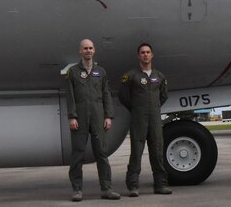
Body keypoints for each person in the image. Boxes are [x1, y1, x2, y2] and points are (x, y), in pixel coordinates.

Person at [65, 39, 121, 202]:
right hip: (80, 118)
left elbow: (106, 94)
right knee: (77, 154)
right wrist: (72, 116)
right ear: (80, 51)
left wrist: (108, 116)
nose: (88, 51)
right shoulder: (73, 72)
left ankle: (106, 189)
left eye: (90, 48)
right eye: (85, 48)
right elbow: (70, 96)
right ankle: (77, 190)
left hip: (98, 117)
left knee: (102, 153)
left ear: (94, 50)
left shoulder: (101, 72)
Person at [119, 43, 172, 196]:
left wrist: (154, 107)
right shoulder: (130, 76)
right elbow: (123, 96)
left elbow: (164, 95)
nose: (145, 55)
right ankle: (133, 186)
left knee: (157, 151)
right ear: (138, 56)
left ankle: (160, 185)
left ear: (152, 55)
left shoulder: (159, 76)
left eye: (148, 52)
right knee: (136, 152)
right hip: (138, 118)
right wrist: (136, 108)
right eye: (142, 52)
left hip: (155, 118)